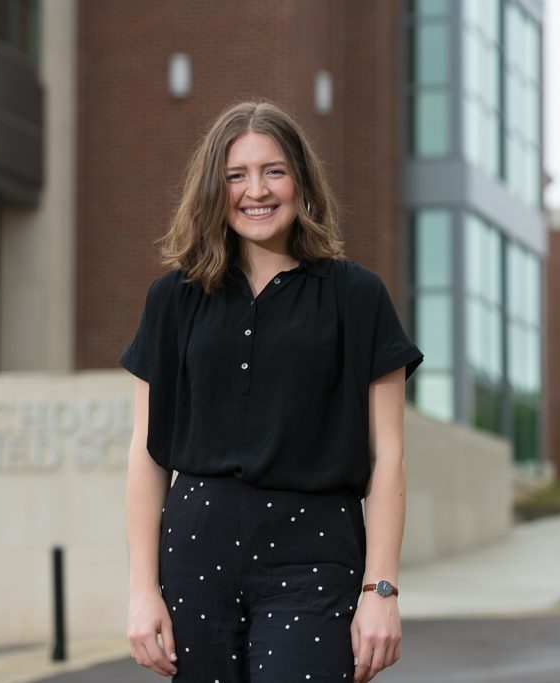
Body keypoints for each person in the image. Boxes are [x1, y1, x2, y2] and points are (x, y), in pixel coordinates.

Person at [121, 100, 423, 682]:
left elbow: (389, 457)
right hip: (196, 553)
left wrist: (380, 588)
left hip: (315, 552)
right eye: (236, 175)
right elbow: (146, 453)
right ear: (214, 187)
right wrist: (141, 589)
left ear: (301, 182)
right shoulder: (172, 300)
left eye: (274, 171)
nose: (255, 190)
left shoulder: (357, 297)